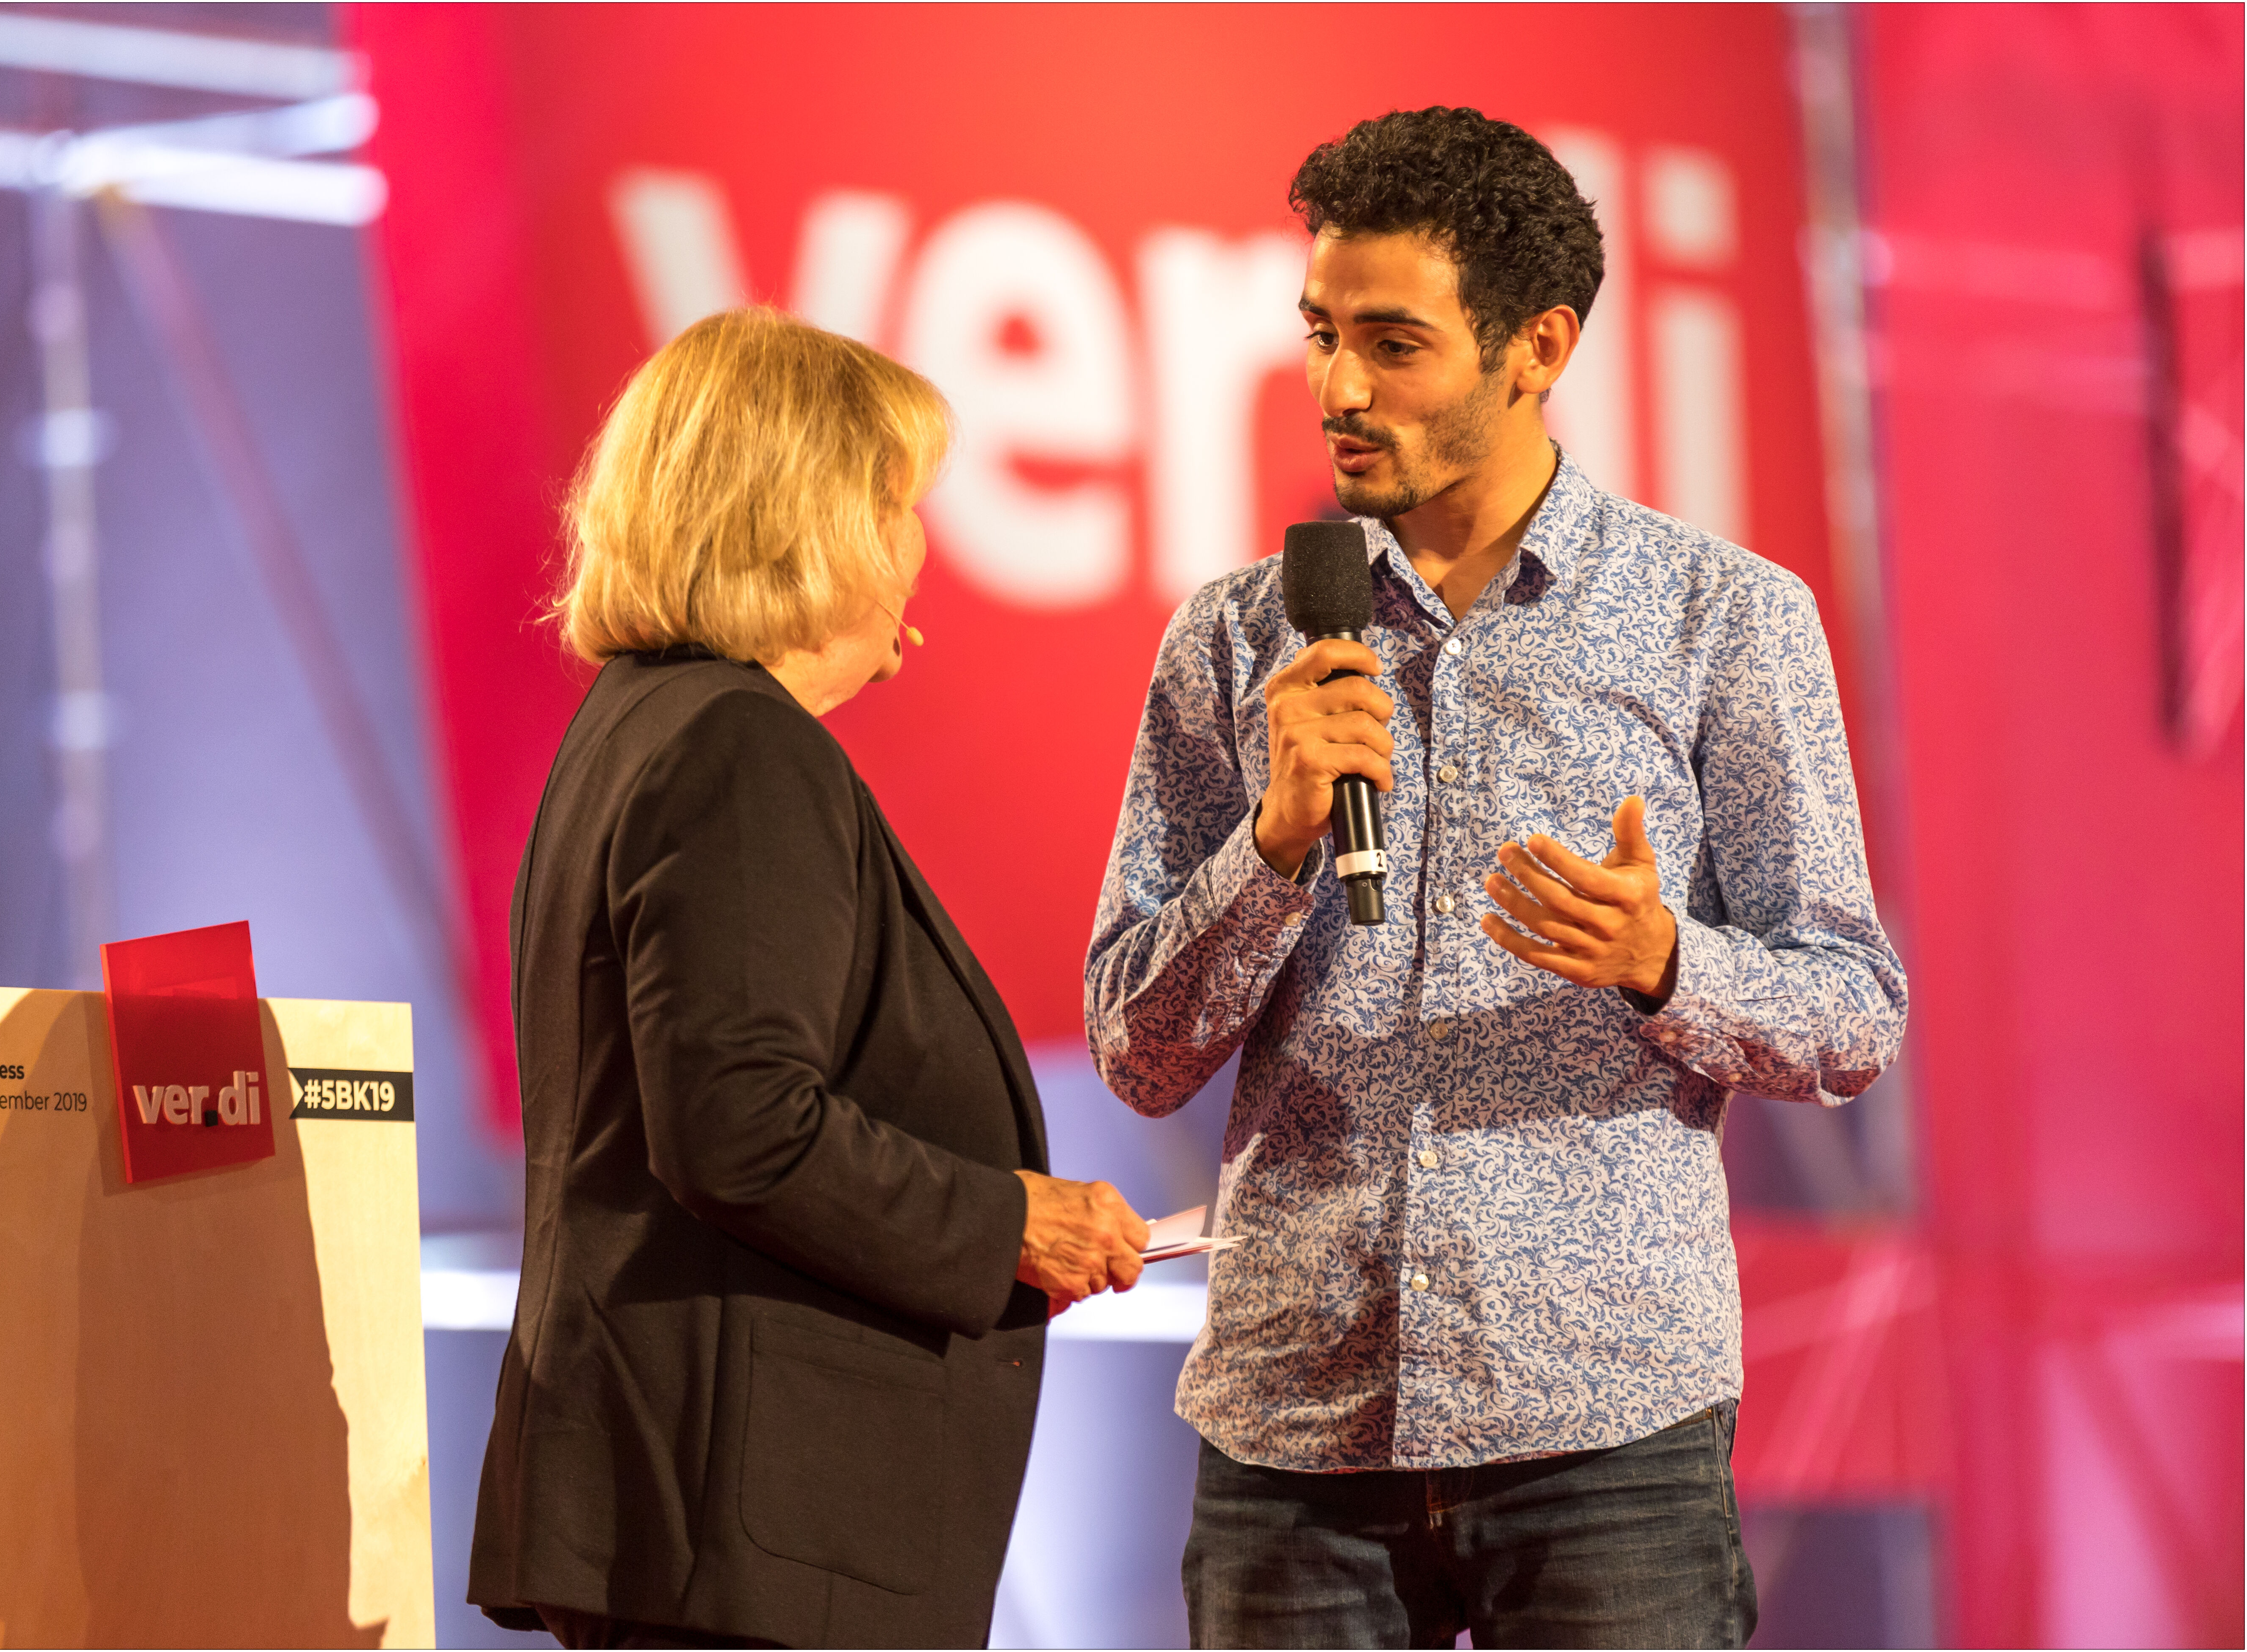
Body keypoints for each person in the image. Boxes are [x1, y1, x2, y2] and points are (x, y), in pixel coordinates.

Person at [1085, 108, 1908, 1649]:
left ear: (1539, 347)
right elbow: (1137, 1051)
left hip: (1606, 1429)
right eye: (1321, 332)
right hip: (1295, 1424)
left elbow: (1854, 1016)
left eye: (1393, 344)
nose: (1338, 387)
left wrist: (1668, 963)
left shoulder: (1726, 618)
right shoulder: (1237, 634)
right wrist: (1272, 850)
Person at [471, 307, 1151, 1650]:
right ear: (815, 525)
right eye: (899, 509)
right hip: (745, 1531)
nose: (916, 551)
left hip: (694, 1516)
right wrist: (1008, 1222)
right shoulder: (740, 746)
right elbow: (740, 1127)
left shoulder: (640, 726)